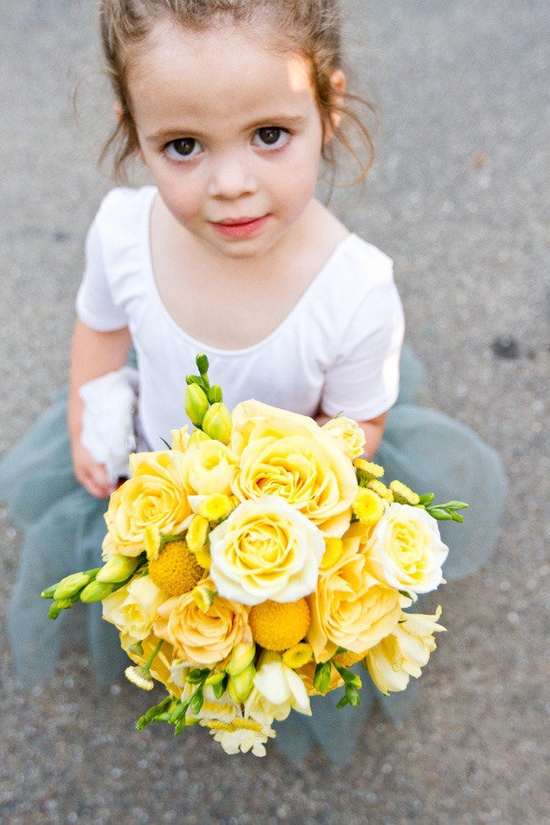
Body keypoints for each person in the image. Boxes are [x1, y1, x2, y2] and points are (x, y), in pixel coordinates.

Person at [0, 0, 506, 763]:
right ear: (134, 131)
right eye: (183, 145)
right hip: (160, 470)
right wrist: (86, 418)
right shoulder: (124, 235)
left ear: (327, 108)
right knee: (162, 604)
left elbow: (357, 425)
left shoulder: (355, 291)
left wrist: (276, 513)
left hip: (289, 503)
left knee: (276, 643)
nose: (230, 183)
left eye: (270, 135)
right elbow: (100, 328)